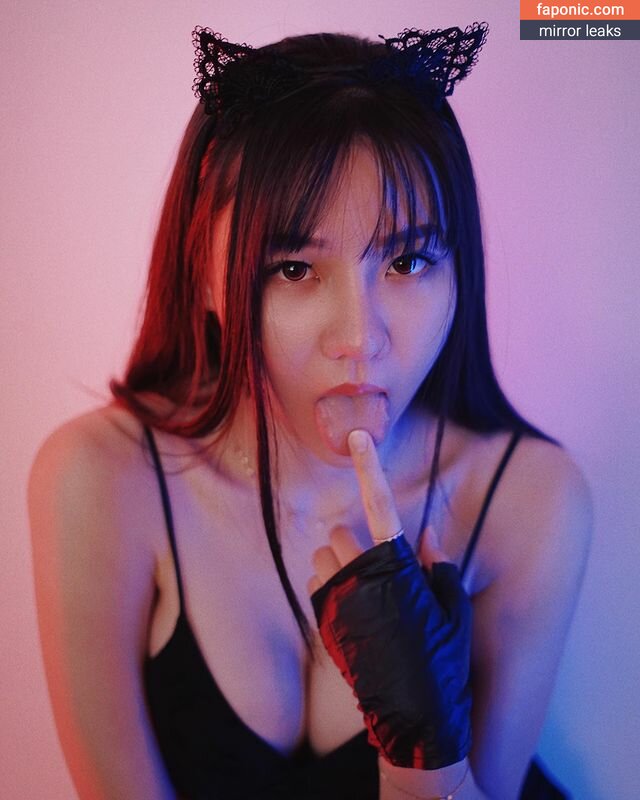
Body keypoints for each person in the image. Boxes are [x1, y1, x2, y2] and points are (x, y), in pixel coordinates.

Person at [27, 22, 593, 800]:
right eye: (295, 269)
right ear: (204, 272)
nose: (359, 337)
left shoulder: (528, 500)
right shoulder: (103, 479)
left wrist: (424, 755)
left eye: (408, 260)